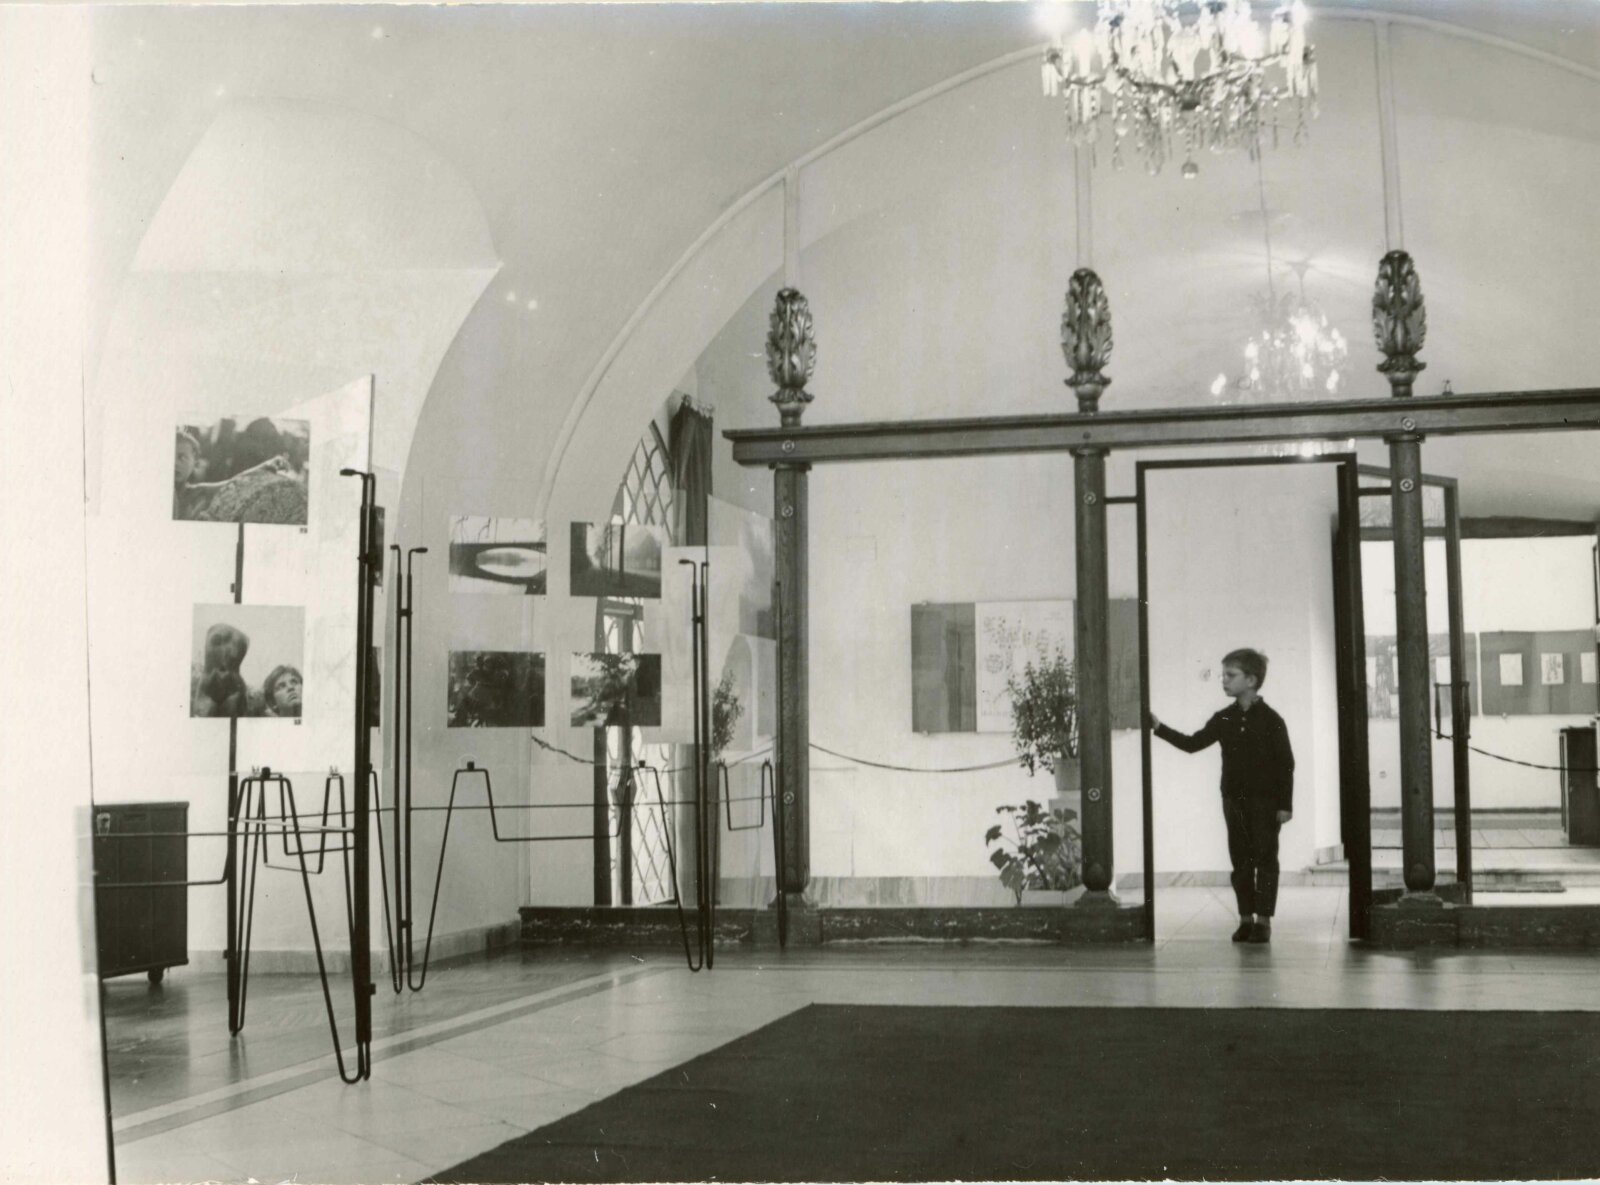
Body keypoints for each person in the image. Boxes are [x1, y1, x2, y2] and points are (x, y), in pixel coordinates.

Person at [1151, 648, 1294, 945]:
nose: (1224, 680)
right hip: (1233, 800)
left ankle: (1263, 921)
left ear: (1251, 680)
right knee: (1240, 860)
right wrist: (1159, 728)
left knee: (1266, 859)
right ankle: (1245, 919)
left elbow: (1285, 765)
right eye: (1223, 675)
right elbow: (1193, 743)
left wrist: (1285, 805)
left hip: (1266, 803)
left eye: (1231, 675)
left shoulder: (1272, 720)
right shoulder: (1224, 718)